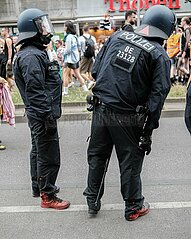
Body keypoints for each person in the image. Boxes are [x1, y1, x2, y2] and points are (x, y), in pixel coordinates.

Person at [83, 5, 176, 221]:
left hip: (100, 107)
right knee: (130, 160)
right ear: (166, 30)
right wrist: (148, 130)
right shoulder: (159, 55)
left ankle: (92, 201)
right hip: (126, 115)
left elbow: (96, 70)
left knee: (97, 156)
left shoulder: (118, 36)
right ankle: (133, 206)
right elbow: (157, 97)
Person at [13, 8, 70, 210]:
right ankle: (48, 195)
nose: (47, 31)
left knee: (39, 150)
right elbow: (36, 91)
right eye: (42, 27)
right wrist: (46, 116)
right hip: (41, 114)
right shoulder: (31, 57)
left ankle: (39, 187)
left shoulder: (33, 53)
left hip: (38, 113)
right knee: (48, 154)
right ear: (33, 30)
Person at [62, 21, 88, 95]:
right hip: (75, 58)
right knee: (77, 74)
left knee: (65, 74)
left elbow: (68, 49)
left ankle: (65, 91)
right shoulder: (75, 36)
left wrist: (63, 52)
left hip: (69, 59)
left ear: (67, 27)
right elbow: (78, 47)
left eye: (64, 26)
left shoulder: (68, 37)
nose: (63, 27)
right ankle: (85, 88)